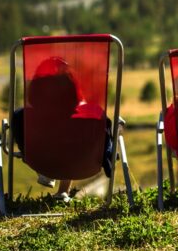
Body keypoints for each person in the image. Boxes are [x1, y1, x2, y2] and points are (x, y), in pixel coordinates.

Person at [13, 56, 112, 202]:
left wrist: (32, 157)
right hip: (83, 164)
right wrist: (108, 158)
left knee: (58, 140)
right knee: (71, 142)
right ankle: (63, 192)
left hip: (40, 161)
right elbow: (106, 143)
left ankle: (45, 172)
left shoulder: (23, 117)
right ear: (75, 89)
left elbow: (24, 142)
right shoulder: (94, 115)